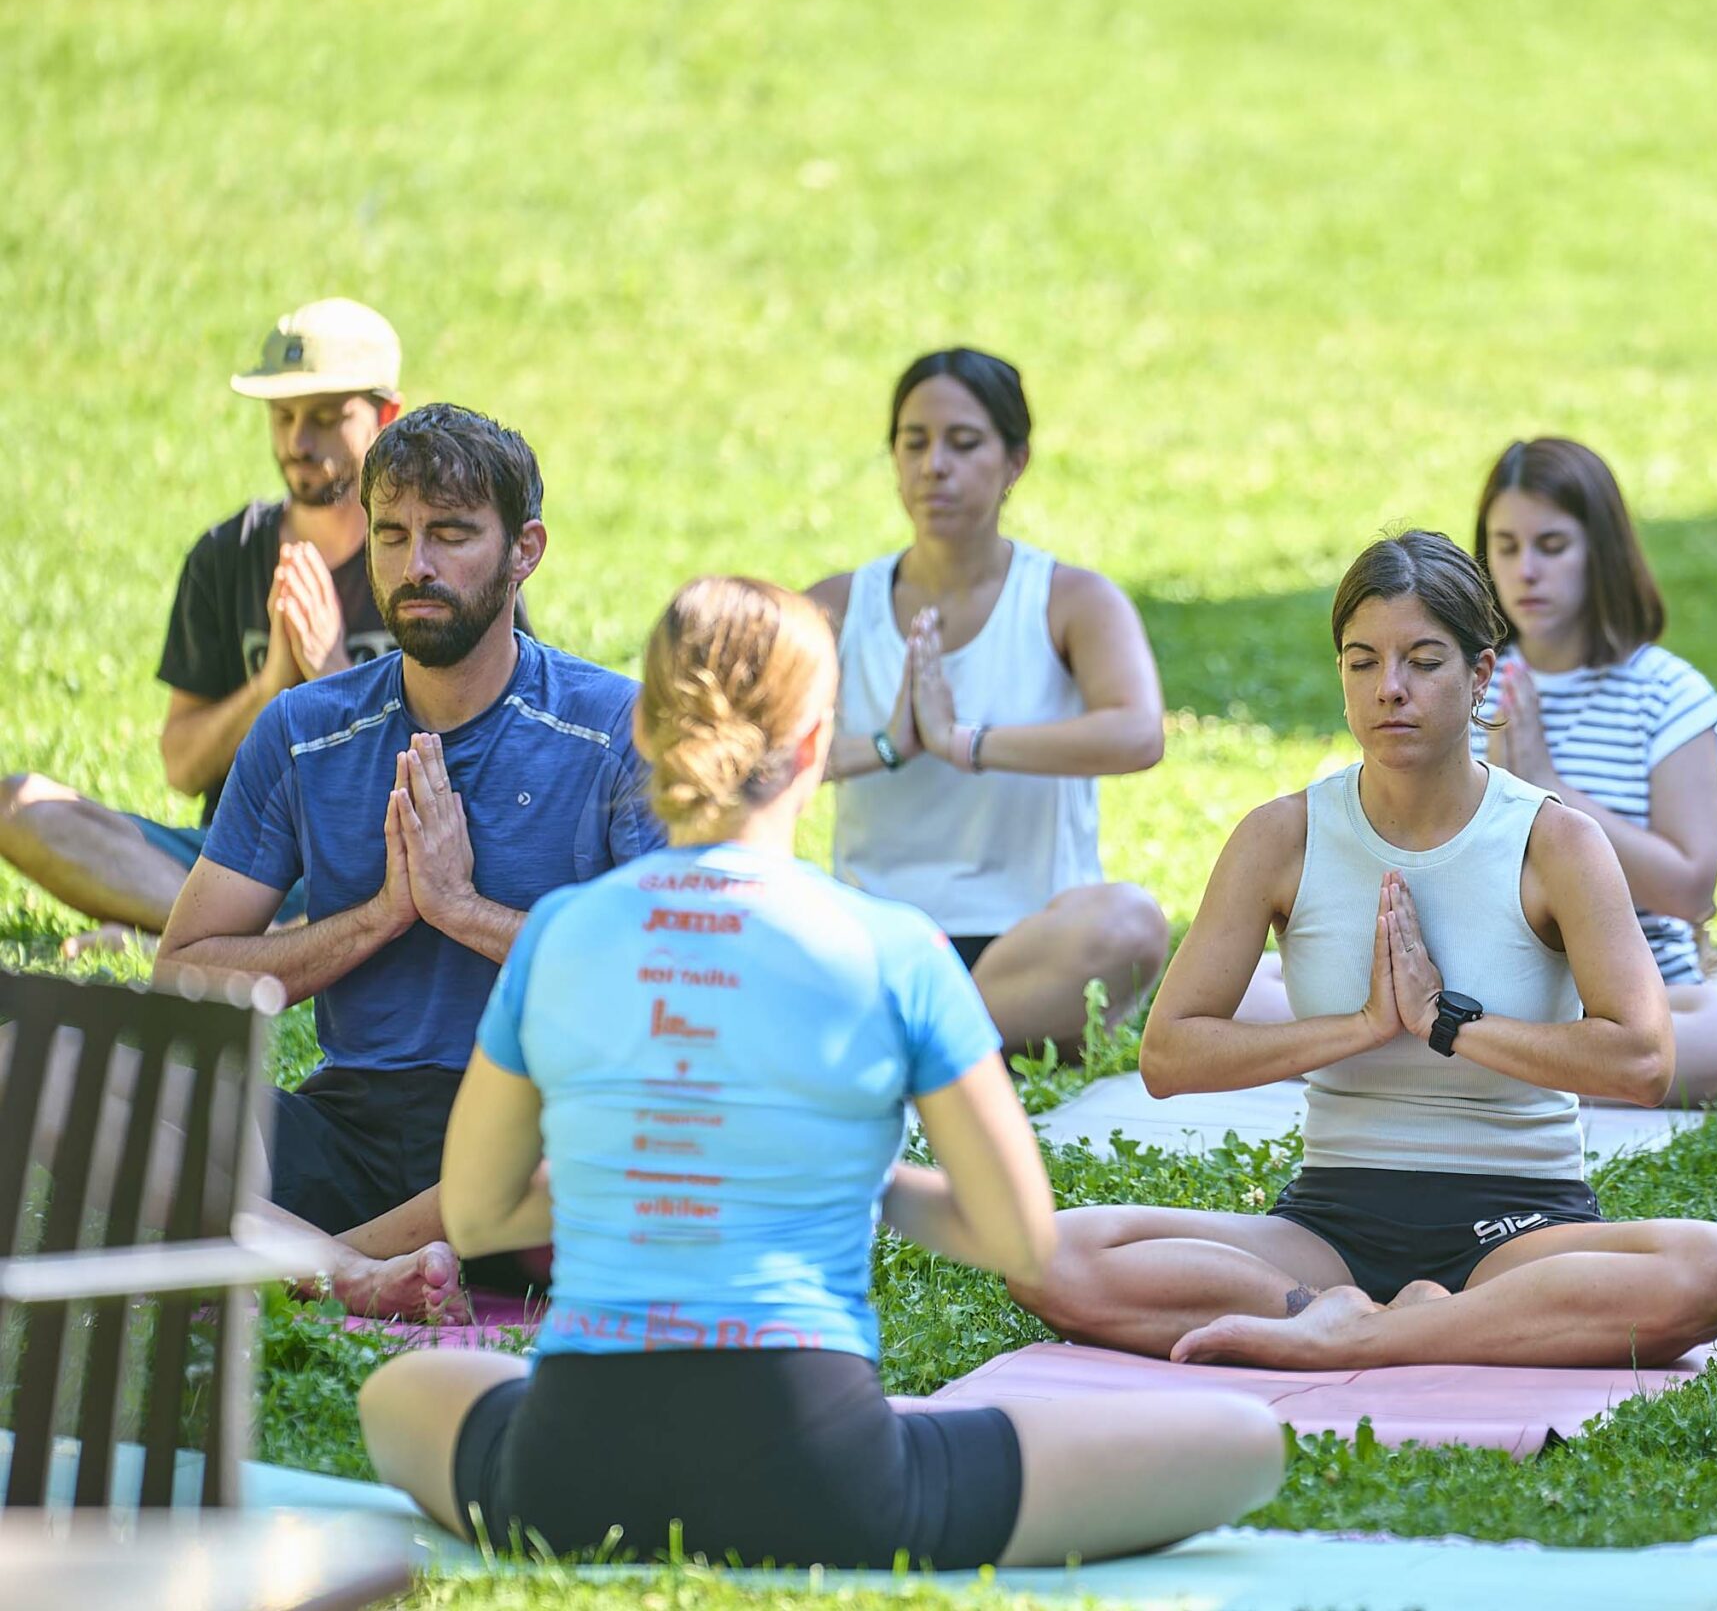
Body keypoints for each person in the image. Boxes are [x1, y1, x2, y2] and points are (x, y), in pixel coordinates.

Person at [356, 577, 1283, 1567]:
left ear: (646, 728)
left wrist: (635, 1178)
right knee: (1246, 1443)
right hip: (823, 1474)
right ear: (814, 744)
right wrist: (858, 1183)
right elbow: (1017, 1232)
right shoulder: (894, 945)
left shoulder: (558, 933)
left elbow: (481, 1216)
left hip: (569, 1472)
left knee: (397, 1391)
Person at [1008, 531, 1717, 1371]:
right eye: (1362, 662)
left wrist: (1446, 1023)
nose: (1390, 688)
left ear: (1480, 675)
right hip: (1328, 1228)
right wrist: (1364, 1025)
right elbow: (1168, 1056)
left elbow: (1644, 1061)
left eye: (1424, 661)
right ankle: (1344, 1317)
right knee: (1045, 1252)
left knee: (1715, 1267)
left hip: (1520, 1229)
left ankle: (1354, 1334)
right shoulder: (1283, 836)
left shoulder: (1555, 842)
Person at [155, 404, 662, 1319]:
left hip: (525, 1134)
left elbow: (667, 977)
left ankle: (312, 1262)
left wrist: (462, 909)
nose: (415, 565)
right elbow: (185, 976)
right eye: (391, 534)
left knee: (612, 1148)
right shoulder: (303, 730)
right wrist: (380, 916)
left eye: (452, 535)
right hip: (348, 1124)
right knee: (47, 1069)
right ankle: (356, 1273)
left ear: (525, 550)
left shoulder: (615, 730)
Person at [0, 300, 405, 954]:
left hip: (369, 858)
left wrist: (329, 672)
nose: (298, 443)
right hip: (233, 861)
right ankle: (252, 936)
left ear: (386, 418)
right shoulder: (225, 556)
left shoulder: (424, 560)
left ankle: (196, 936)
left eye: (326, 419)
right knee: (19, 805)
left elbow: (474, 774)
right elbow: (183, 766)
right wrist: (271, 686)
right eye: (283, 416)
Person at [808, 348, 1168, 1058]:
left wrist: (964, 742)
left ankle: (907, 1043)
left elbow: (1137, 734)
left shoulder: (1071, 599)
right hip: (876, 940)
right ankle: (950, 1042)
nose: (934, 465)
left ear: (1015, 462)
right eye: (914, 443)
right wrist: (887, 746)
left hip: (1031, 943)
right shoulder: (834, 606)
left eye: (964, 443)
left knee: (1130, 922)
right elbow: (736, 760)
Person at [1475, 437, 1717, 1106]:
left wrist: (1549, 791)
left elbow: (1690, 891)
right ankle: (1513, 1064)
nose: (1526, 571)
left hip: (1638, 1001)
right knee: (1260, 986)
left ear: (1602, 551)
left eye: (1552, 546)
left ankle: (1478, 1070)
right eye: (1506, 547)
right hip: (1482, 991)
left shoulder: (1667, 696)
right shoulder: (1462, 682)